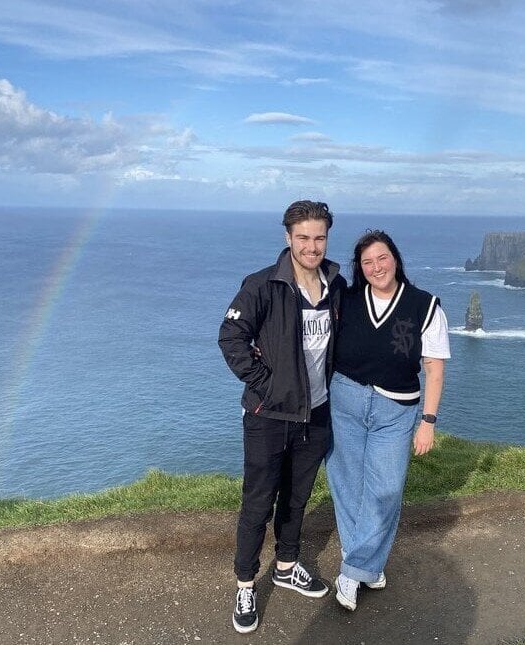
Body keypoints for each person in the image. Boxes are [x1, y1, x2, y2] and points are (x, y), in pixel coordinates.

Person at [218, 200, 345, 634]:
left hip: (316, 413)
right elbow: (231, 337)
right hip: (268, 416)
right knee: (258, 502)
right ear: (288, 238)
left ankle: (287, 565)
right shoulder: (262, 285)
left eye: (320, 237)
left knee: (296, 496)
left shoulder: (335, 282)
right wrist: (267, 383)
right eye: (304, 237)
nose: (312, 246)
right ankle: (245, 583)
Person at [325, 229, 450, 611]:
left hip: (396, 411)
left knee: (385, 490)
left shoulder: (424, 305)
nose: (376, 267)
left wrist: (427, 421)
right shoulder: (346, 301)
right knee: (347, 485)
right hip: (344, 400)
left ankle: (352, 570)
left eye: (382, 258)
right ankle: (365, 566)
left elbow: (434, 369)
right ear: (360, 269)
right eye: (367, 262)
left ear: (395, 258)